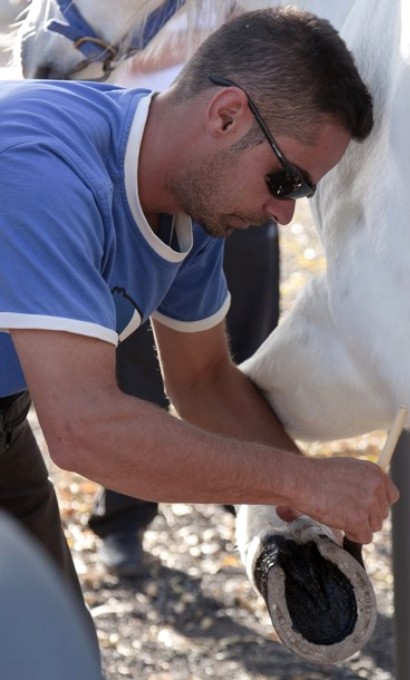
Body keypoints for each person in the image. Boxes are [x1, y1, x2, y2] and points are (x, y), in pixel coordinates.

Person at [0, 6, 399, 658]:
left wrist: (301, 518)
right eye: (286, 181)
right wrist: (299, 483)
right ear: (225, 116)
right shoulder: (44, 170)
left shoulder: (186, 204)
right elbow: (83, 431)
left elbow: (203, 380)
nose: (284, 216)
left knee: (54, 657)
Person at [88, 0, 280, 577]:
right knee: (126, 347)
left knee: (243, 340)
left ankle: (256, 497)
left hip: (242, 152)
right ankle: (123, 513)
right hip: (133, 148)